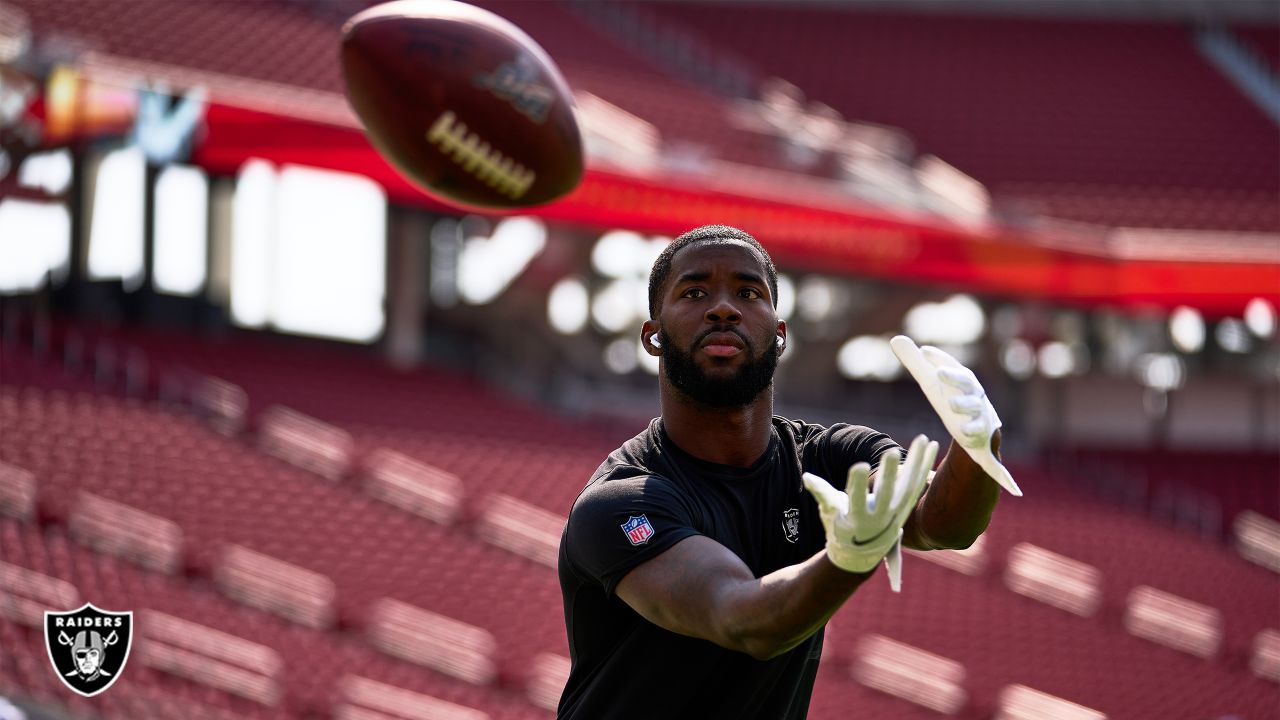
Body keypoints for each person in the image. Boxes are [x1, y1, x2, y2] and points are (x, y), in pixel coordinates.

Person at [556, 225, 1020, 719]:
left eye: (748, 292)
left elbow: (943, 525)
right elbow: (743, 620)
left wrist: (975, 445)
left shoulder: (835, 457)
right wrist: (849, 556)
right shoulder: (621, 501)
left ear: (779, 336)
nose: (723, 308)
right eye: (694, 292)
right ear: (653, 337)